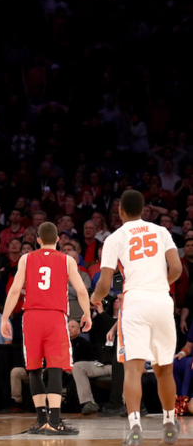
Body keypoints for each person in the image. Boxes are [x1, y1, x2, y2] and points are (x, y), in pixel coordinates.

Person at [91, 190, 182, 445]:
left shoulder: (115, 238)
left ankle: (134, 426)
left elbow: (105, 283)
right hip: (162, 300)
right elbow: (176, 269)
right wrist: (159, 285)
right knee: (165, 369)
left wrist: (94, 299)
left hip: (135, 301)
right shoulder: (162, 232)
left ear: (120, 210)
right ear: (144, 210)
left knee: (133, 369)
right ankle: (168, 421)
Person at [2, 221, 92, 436]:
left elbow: (15, 291)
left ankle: (41, 420)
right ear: (58, 240)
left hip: (31, 316)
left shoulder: (26, 258)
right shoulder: (67, 260)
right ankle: (55, 420)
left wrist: (5, 318)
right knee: (55, 367)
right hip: (55, 316)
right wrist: (87, 313)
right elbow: (81, 290)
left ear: (38, 240)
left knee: (33, 368)